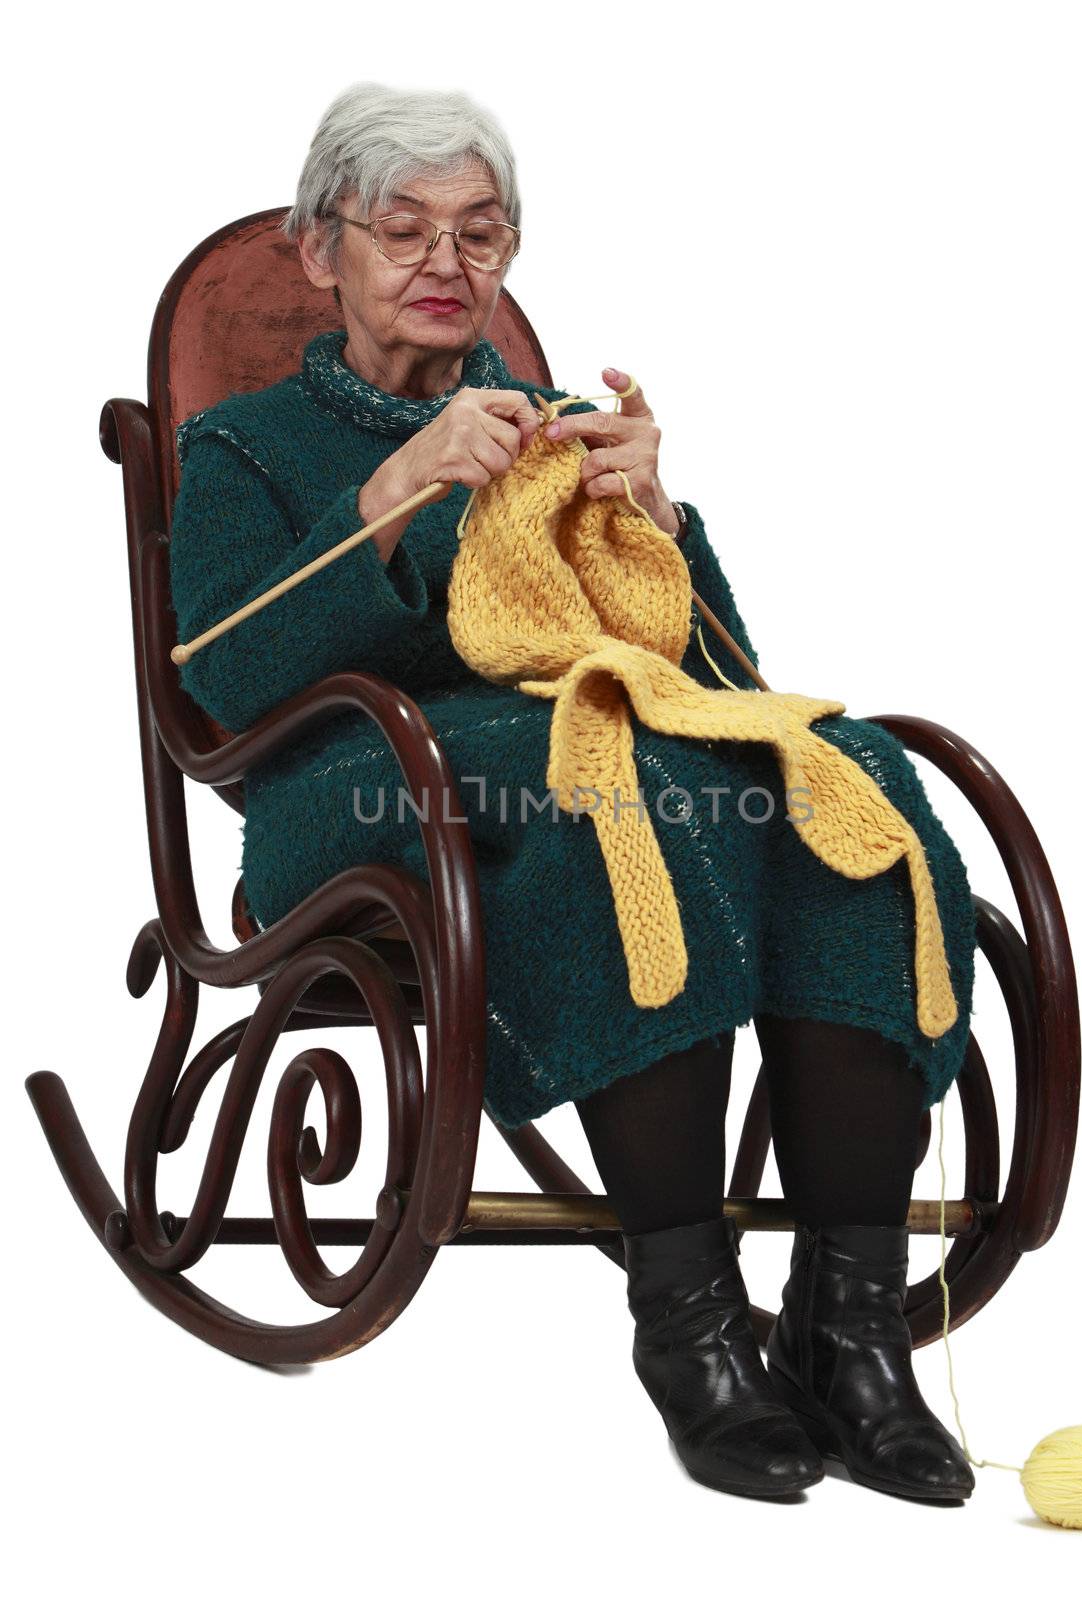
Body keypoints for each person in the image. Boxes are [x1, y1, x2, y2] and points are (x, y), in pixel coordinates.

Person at [168, 81, 977, 1504]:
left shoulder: (548, 425)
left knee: (848, 773)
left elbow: (718, 671)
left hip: (597, 745)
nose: (445, 264)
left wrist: (662, 522)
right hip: (355, 785)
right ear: (321, 253)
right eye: (402, 230)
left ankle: (850, 1328)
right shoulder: (248, 446)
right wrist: (391, 501)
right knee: (628, 789)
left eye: (481, 234)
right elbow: (223, 684)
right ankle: (690, 1326)